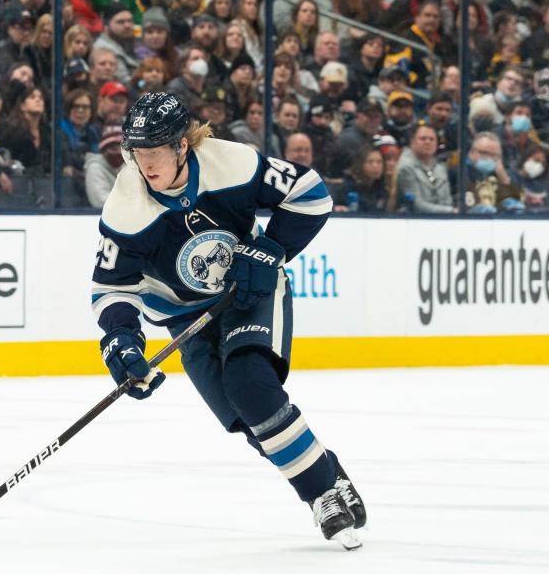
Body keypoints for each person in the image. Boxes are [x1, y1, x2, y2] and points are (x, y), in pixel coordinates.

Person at [91, 92, 365, 550]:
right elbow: (111, 289)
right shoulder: (126, 207)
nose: (147, 164)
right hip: (184, 317)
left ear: (182, 145)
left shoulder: (231, 164)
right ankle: (327, 473)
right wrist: (121, 340)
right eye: (138, 153)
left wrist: (270, 248)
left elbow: (311, 192)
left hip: (249, 292)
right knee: (247, 418)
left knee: (250, 385)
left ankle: (322, 496)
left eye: (156, 151)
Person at [394, 122, 455, 213]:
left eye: (432, 139)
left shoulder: (440, 167)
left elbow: (447, 201)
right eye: (423, 139)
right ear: (412, 142)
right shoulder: (405, 167)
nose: (428, 142)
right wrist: (451, 211)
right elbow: (416, 205)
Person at [84, 122, 123, 207]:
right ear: (103, 151)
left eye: (122, 148)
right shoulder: (94, 168)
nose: (119, 152)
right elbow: (100, 202)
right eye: (114, 148)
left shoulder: (130, 167)